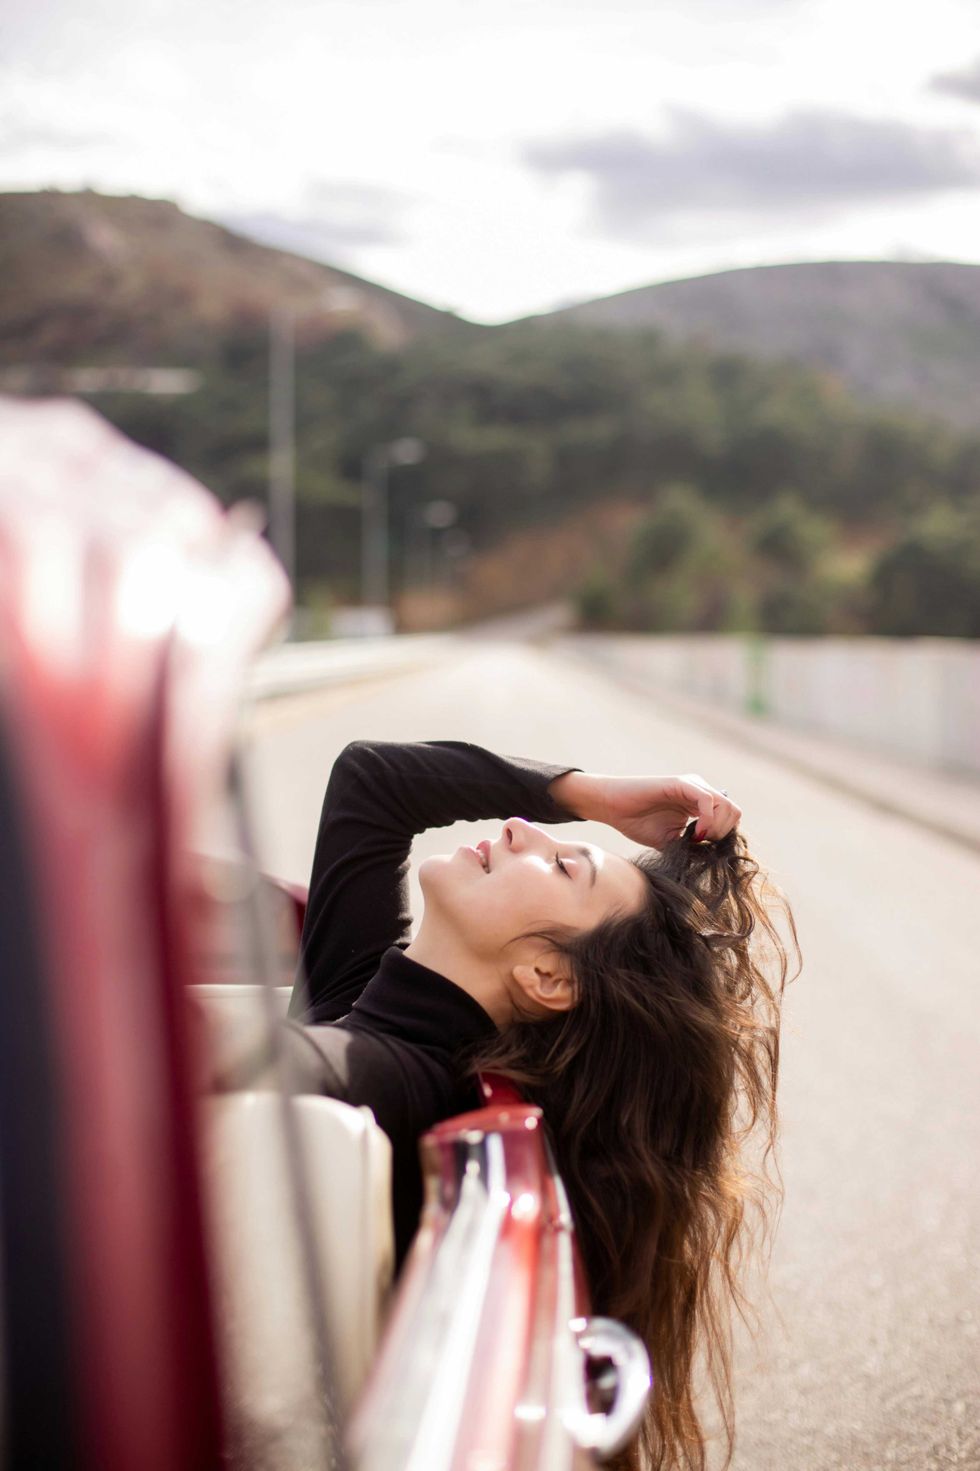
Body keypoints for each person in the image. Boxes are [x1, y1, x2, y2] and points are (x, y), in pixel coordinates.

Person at [207, 737, 800, 1471]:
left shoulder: (398, 1076)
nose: (521, 829)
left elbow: (223, 1052)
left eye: (561, 865)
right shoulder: (369, 997)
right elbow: (372, 778)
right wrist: (595, 794)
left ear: (547, 976)